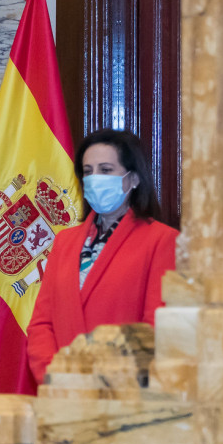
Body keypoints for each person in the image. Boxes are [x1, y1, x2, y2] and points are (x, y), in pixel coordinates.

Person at [27, 128, 178, 383]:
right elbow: (42, 324)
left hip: (125, 392)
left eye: (106, 170)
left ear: (133, 179)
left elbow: (158, 327)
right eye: (88, 172)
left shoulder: (162, 241)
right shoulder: (65, 241)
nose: (95, 178)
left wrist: (102, 380)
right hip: (63, 390)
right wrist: (55, 375)